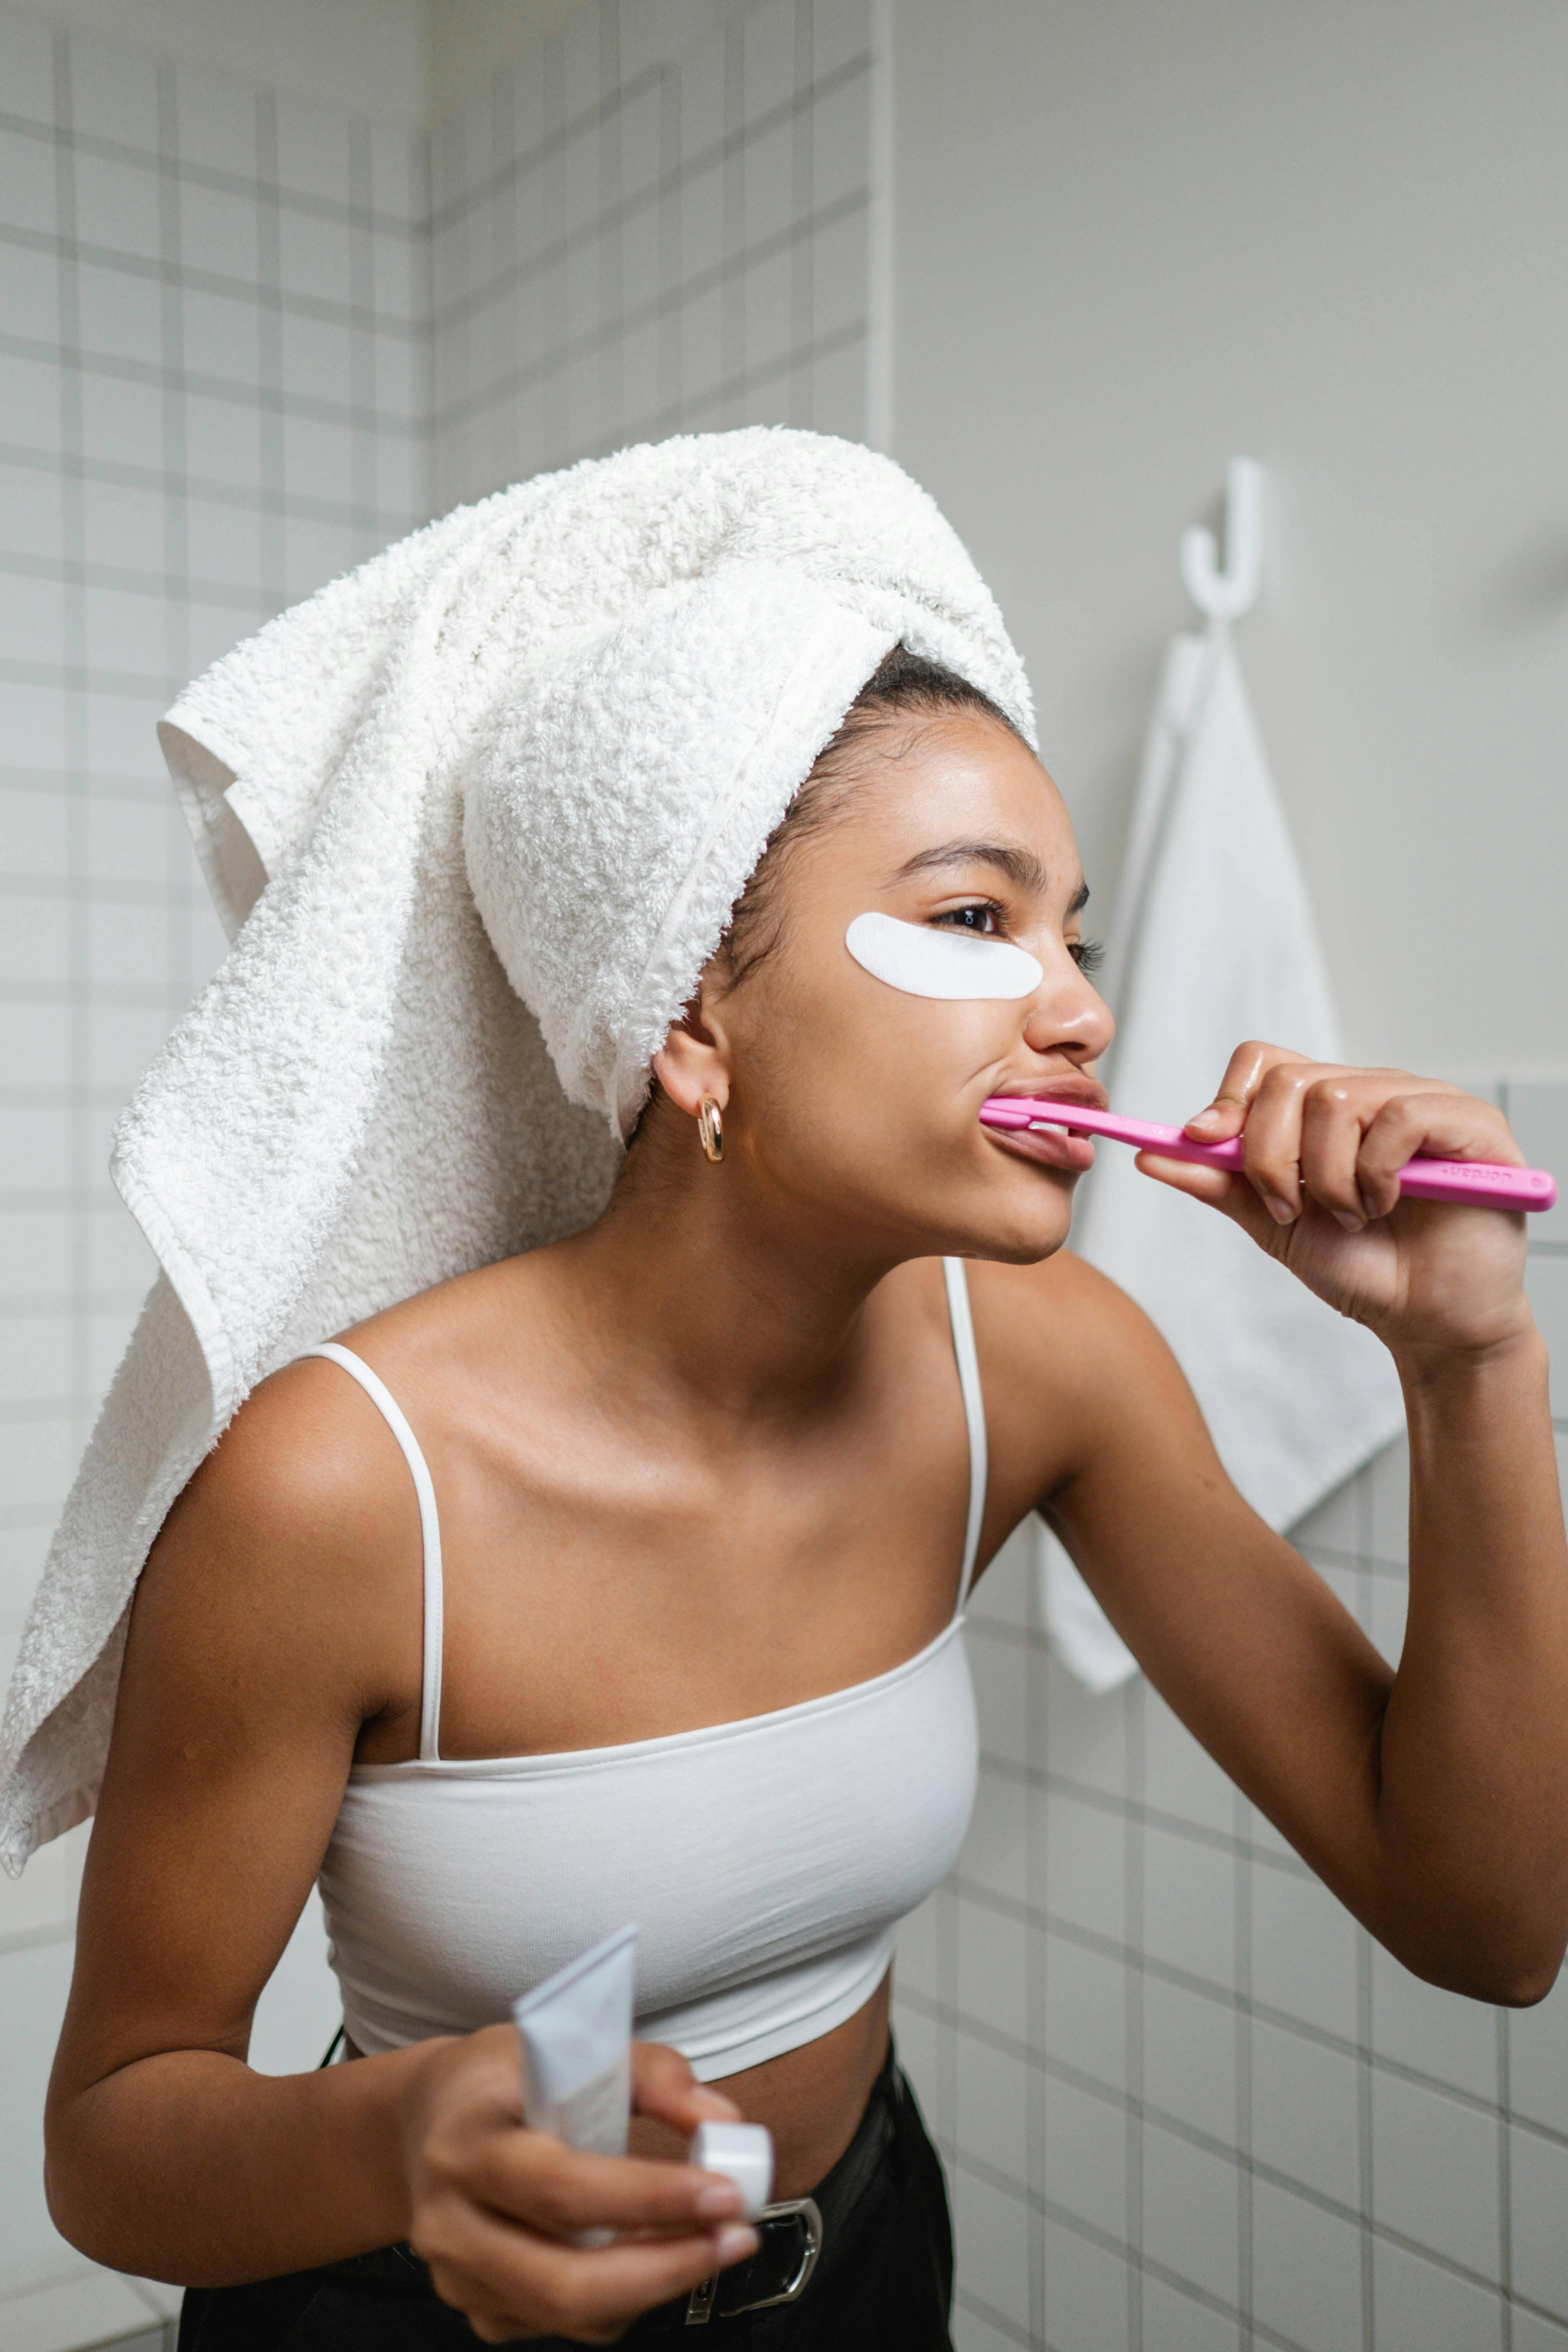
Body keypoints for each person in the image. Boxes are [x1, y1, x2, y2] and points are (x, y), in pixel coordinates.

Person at [33, 444, 1568, 2352]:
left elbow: (1488, 1925)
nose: (1083, 1006)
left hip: (859, 2274)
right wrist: (404, 2133)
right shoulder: (345, 1490)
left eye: (1070, 928)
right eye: (970, 918)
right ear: (690, 1017)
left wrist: (1468, 1361)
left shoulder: (1044, 1366)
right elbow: (110, 2140)